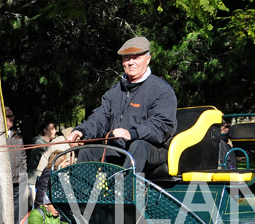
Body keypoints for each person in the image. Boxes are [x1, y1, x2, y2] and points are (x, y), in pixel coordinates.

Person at [67, 36, 177, 174]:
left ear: (148, 60)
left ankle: (125, 193)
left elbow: (162, 125)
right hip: (120, 148)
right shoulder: (115, 91)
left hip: (153, 149)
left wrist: (132, 133)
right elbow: (101, 117)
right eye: (126, 58)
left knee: (138, 146)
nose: (130, 62)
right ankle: (83, 195)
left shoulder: (161, 90)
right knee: (87, 151)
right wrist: (82, 131)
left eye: (136, 57)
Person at [0, 106, 28, 224]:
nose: (12, 118)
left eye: (12, 116)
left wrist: (23, 172)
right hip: (3, 180)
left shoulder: (17, 136)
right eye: (9, 116)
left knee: (18, 209)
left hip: (18, 179)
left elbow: (23, 156)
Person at [27, 121, 57, 202]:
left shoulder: (51, 144)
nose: (55, 131)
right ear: (45, 130)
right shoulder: (38, 142)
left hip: (42, 180)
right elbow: (39, 157)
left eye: (55, 129)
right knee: (35, 205)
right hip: (34, 181)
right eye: (52, 129)